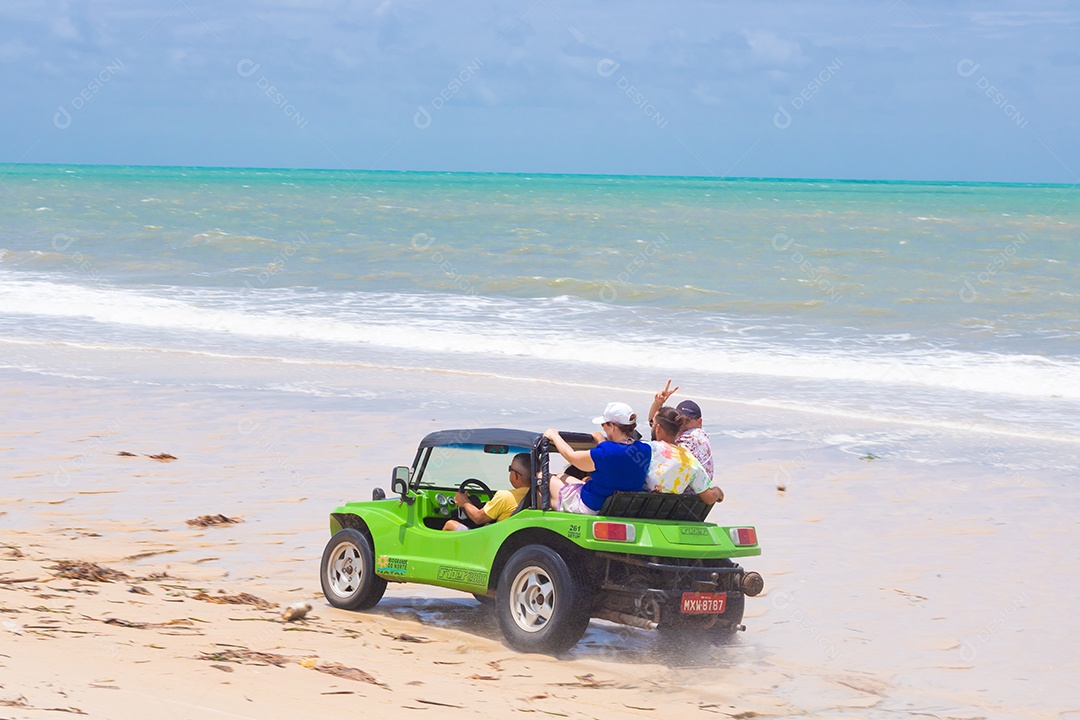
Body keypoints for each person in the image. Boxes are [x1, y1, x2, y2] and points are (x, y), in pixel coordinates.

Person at [544, 402, 650, 515]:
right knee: (561, 476)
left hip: (592, 506)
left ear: (612, 426)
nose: (603, 429)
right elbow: (619, 454)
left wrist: (554, 435)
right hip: (620, 506)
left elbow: (571, 457)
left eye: (603, 425)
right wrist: (601, 441)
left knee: (541, 476)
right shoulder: (645, 449)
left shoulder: (606, 452)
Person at [648, 407, 723, 505]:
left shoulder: (646, 449)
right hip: (670, 509)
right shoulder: (690, 460)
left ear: (658, 428)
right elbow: (709, 498)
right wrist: (718, 493)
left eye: (652, 423)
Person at [442, 452, 531, 531]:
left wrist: (464, 502)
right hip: (513, 538)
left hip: (493, 540)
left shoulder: (505, 497)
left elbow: (478, 518)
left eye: (510, 469)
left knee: (450, 524)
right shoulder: (537, 496)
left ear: (515, 475)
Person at [648, 379, 714, 479]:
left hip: (688, 492)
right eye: (680, 420)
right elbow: (655, 426)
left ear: (699, 422)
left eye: (687, 421)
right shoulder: (685, 435)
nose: (682, 425)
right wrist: (658, 403)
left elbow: (657, 430)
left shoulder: (693, 436)